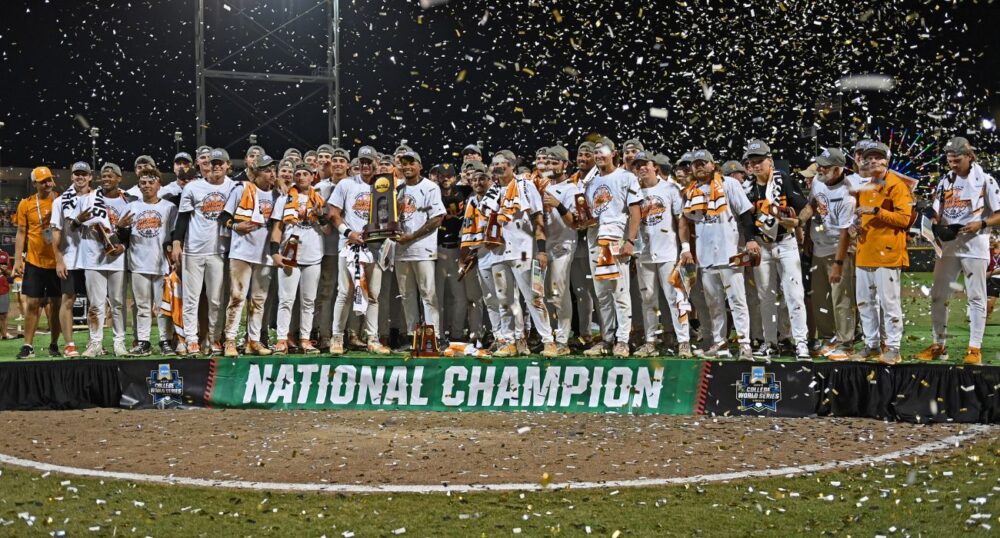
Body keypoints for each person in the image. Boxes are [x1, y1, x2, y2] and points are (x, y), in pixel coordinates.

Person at [913, 137, 1000, 366]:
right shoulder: (945, 181)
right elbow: (936, 208)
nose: (952, 164)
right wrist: (931, 219)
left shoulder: (986, 181)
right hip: (948, 246)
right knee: (938, 296)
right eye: (949, 160)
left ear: (970, 157)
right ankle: (938, 345)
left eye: (957, 160)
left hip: (975, 244)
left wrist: (980, 224)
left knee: (976, 297)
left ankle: (974, 348)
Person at [678, 149, 757, 360]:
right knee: (714, 303)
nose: (699, 166)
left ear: (713, 165)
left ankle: (744, 344)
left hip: (730, 252)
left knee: (737, 301)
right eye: (696, 164)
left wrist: (750, 239)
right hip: (706, 256)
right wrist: (686, 248)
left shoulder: (729, 184)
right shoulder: (690, 191)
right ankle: (720, 343)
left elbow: (744, 214)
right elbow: (684, 221)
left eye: (704, 162)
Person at [741, 140, 811, 359]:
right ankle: (770, 342)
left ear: (769, 160)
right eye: (752, 162)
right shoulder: (747, 187)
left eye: (760, 161)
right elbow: (745, 218)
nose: (756, 166)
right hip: (762, 245)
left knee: (795, 295)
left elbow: (806, 207)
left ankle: (801, 342)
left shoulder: (784, 180)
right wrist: (750, 239)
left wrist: (798, 223)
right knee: (766, 297)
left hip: (785, 243)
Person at [488, 149, 559, 357]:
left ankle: (548, 341)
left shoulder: (525, 185)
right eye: (495, 165)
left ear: (512, 166)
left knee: (534, 298)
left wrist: (542, 250)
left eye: (502, 164)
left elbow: (538, 217)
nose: (498, 168)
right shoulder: (492, 191)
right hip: (498, 252)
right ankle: (511, 341)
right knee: (505, 299)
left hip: (523, 251)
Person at [852, 141, 913, 364]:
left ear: (887, 160)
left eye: (878, 157)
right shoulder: (865, 185)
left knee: (889, 303)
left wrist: (876, 211)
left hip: (887, 253)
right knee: (865, 303)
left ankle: (894, 348)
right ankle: (872, 344)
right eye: (869, 158)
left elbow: (905, 219)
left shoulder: (897, 185)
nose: (873, 161)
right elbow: (861, 215)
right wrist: (855, 225)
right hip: (865, 250)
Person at [328, 146, 392, 354]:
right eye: (362, 162)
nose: (365, 165)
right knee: (345, 292)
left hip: (376, 246)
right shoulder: (346, 184)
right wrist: (348, 233)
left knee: (373, 294)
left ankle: (372, 338)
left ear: (377, 162)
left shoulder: (385, 186)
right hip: (350, 246)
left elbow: (392, 217)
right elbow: (333, 214)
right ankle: (336, 337)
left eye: (369, 161)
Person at [581, 139, 642, 358]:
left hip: (616, 240)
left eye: (602, 152)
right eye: (595, 152)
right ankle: (607, 338)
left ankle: (623, 340)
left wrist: (631, 240)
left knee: (620, 292)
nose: (598, 156)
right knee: (602, 294)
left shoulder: (626, 177)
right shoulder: (590, 183)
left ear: (613, 153)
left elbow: (636, 210)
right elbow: (589, 214)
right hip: (594, 240)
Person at [172, 147, 235, 355]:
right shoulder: (194, 187)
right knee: (192, 298)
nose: (217, 167)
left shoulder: (234, 187)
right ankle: (192, 338)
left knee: (216, 299)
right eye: (213, 163)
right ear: (207, 165)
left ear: (228, 166)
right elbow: (182, 218)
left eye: (220, 163)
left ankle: (214, 338)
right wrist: (177, 243)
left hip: (219, 250)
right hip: (194, 250)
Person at [797, 148, 857, 360]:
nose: (820, 169)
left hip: (838, 250)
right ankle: (828, 338)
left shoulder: (848, 193)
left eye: (826, 166)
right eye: (819, 164)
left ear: (839, 169)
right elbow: (812, 204)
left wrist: (839, 263)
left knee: (841, 298)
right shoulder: (818, 181)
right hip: (819, 248)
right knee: (820, 297)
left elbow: (844, 234)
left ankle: (846, 342)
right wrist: (800, 223)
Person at [632, 151, 692, 357]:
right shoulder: (633, 191)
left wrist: (685, 247)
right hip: (643, 253)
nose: (641, 168)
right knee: (647, 299)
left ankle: (684, 341)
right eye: (637, 165)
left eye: (644, 164)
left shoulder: (670, 188)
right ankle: (651, 341)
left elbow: (681, 220)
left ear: (654, 166)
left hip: (668, 252)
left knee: (676, 297)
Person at [219, 154, 279, 356]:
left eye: (273, 170)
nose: (272, 174)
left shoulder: (278, 195)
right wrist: (235, 225)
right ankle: (229, 340)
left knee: (259, 300)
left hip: (265, 254)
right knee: (237, 297)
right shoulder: (242, 189)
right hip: (242, 252)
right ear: (256, 173)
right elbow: (224, 217)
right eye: (267, 170)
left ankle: (253, 341)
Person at [460, 160, 522, 350]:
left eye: (483, 179)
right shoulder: (471, 200)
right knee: (489, 297)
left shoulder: (498, 195)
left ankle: (517, 337)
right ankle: (499, 336)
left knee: (507, 297)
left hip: (499, 249)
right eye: (475, 179)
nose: (479, 182)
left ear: (491, 179)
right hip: (481, 251)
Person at [116, 168, 177, 356]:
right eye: (143, 183)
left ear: (159, 184)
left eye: (151, 182)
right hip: (138, 263)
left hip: (161, 264)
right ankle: (143, 341)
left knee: (162, 307)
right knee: (142, 306)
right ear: (139, 185)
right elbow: (122, 236)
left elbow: (174, 235)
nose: (147, 186)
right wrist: (120, 227)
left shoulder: (169, 207)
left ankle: (165, 340)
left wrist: (173, 258)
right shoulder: (132, 207)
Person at [76, 162, 134, 357]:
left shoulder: (128, 200)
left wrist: (123, 246)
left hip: (118, 258)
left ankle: (119, 343)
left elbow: (131, 232)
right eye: (104, 175)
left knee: (118, 303)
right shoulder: (90, 198)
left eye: (111, 175)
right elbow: (74, 225)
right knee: (95, 304)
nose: (107, 178)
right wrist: (78, 221)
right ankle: (95, 343)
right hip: (94, 257)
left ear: (119, 178)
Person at [270, 163, 328, 354]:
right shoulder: (284, 198)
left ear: (312, 176)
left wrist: (321, 216)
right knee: (286, 299)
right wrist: (274, 251)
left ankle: (305, 338)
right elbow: (278, 227)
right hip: (289, 253)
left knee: (309, 301)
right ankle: (281, 339)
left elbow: (327, 230)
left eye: (305, 174)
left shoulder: (319, 199)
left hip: (313, 255)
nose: (302, 176)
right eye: (298, 174)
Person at [393, 150, 446, 345]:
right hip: (401, 249)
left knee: (428, 293)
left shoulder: (430, 187)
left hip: (422, 248)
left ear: (420, 166)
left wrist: (412, 236)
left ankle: (434, 336)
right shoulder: (397, 189)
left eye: (411, 163)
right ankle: (412, 336)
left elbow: (438, 218)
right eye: (403, 163)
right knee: (406, 295)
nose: (407, 166)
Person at [13, 167, 62, 359]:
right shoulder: (26, 204)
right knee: (32, 304)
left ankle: (54, 344)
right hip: (34, 261)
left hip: (57, 263)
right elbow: (21, 233)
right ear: (34, 184)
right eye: (43, 181)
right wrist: (18, 259)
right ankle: (28, 346)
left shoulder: (60, 201)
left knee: (56, 306)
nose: (48, 184)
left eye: (49, 180)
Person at [50, 161, 95, 357]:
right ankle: (69, 344)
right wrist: (59, 259)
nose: (80, 177)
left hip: (94, 259)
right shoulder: (60, 201)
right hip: (71, 259)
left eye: (83, 173)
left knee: (96, 303)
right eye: (76, 173)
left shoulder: (97, 198)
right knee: (67, 300)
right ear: (71, 176)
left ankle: (94, 342)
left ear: (90, 176)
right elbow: (55, 232)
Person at [540, 145, 580, 355]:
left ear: (565, 164)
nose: (551, 166)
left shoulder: (571, 188)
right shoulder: (541, 185)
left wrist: (558, 205)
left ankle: (563, 339)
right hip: (543, 246)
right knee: (545, 295)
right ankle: (550, 338)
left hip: (563, 245)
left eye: (555, 162)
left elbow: (575, 223)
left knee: (559, 293)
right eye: (548, 162)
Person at [433, 162, 478, 342]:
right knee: (436, 296)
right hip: (436, 249)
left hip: (457, 250)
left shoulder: (464, 191)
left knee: (459, 297)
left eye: (449, 175)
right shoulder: (432, 192)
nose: (445, 179)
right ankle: (437, 335)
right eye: (442, 176)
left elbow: (479, 186)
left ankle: (457, 335)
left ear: (455, 177)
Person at [313, 146, 349, 349]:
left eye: (341, 160)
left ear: (347, 165)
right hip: (327, 247)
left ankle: (350, 333)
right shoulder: (319, 188)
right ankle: (325, 334)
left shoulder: (354, 184)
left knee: (351, 292)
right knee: (326, 293)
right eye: (334, 160)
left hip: (349, 247)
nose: (337, 163)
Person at [568, 141, 598, 345]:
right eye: (580, 155)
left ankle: (607, 334)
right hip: (576, 239)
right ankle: (585, 333)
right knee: (581, 291)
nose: (583, 159)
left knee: (599, 291)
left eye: (588, 155)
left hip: (594, 238)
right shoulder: (573, 180)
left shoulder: (599, 178)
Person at [988, 238, 1000, 321]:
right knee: (989, 306)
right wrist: (993, 272)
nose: (995, 250)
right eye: (993, 248)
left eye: (997, 248)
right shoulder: (988, 257)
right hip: (992, 280)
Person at [0, 248, 10, 339]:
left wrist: (4, 270)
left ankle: (4, 335)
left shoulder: (4, 254)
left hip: (3, 289)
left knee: (3, 314)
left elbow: (9, 272)